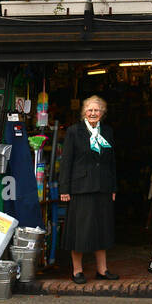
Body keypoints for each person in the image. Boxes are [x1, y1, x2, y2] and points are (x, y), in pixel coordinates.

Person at [58, 95, 118, 282]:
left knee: (103, 229)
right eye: (90, 110)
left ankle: (102, 270)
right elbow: (66, 162)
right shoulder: (74, 132)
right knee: (80, 231)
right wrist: (64, 189)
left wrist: (113, 186)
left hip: (103, 186)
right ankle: (77, 271)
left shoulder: (107, 131)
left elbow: (111, 162)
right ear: (84, 112)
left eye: (97, 110)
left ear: (102, 113)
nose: (93, 113)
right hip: (81, 187)